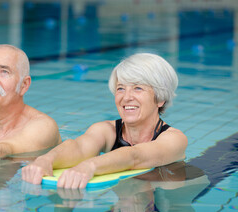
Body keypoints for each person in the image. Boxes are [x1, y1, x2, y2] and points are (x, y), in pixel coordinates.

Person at [22, 53, 188, 189]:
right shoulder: (106, 130)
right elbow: (78, 147)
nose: (126, 97)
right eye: (121, 88)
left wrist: (89, 166)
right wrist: (45, 160)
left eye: (138, 88)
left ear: (160, 99)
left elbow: (135, 156)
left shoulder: (174, 139)